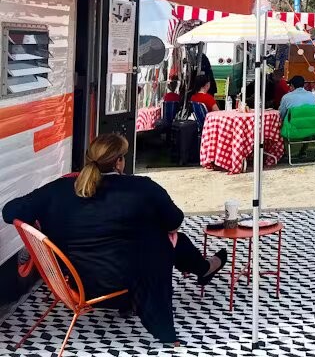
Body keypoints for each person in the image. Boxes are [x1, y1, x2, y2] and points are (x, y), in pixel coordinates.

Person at [2, 134, 227, 346]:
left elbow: (9, 211)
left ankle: (203, 268)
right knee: (169, 238)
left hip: (78, 286)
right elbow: (174, 221)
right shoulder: (142, 188)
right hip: (129, 288)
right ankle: (203, 268)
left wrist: (43, 226)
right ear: (119, 162)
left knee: (159, 240)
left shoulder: (57, 190)